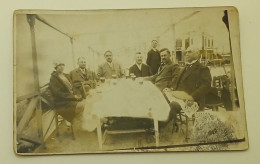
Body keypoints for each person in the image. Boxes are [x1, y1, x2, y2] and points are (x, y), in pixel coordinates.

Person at [167, 47, 212, 131]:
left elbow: (206, 85)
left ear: (197, 54)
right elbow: (177, 82)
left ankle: (158, 126)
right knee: (163, 98)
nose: (186, 54)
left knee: (172, 106)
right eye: (186, 52)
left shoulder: (202, 68)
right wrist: (171, 89)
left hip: (193, 100)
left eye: (189, 52)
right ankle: (154, 122)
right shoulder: (184, 67)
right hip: (178, 96)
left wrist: (192, 96)